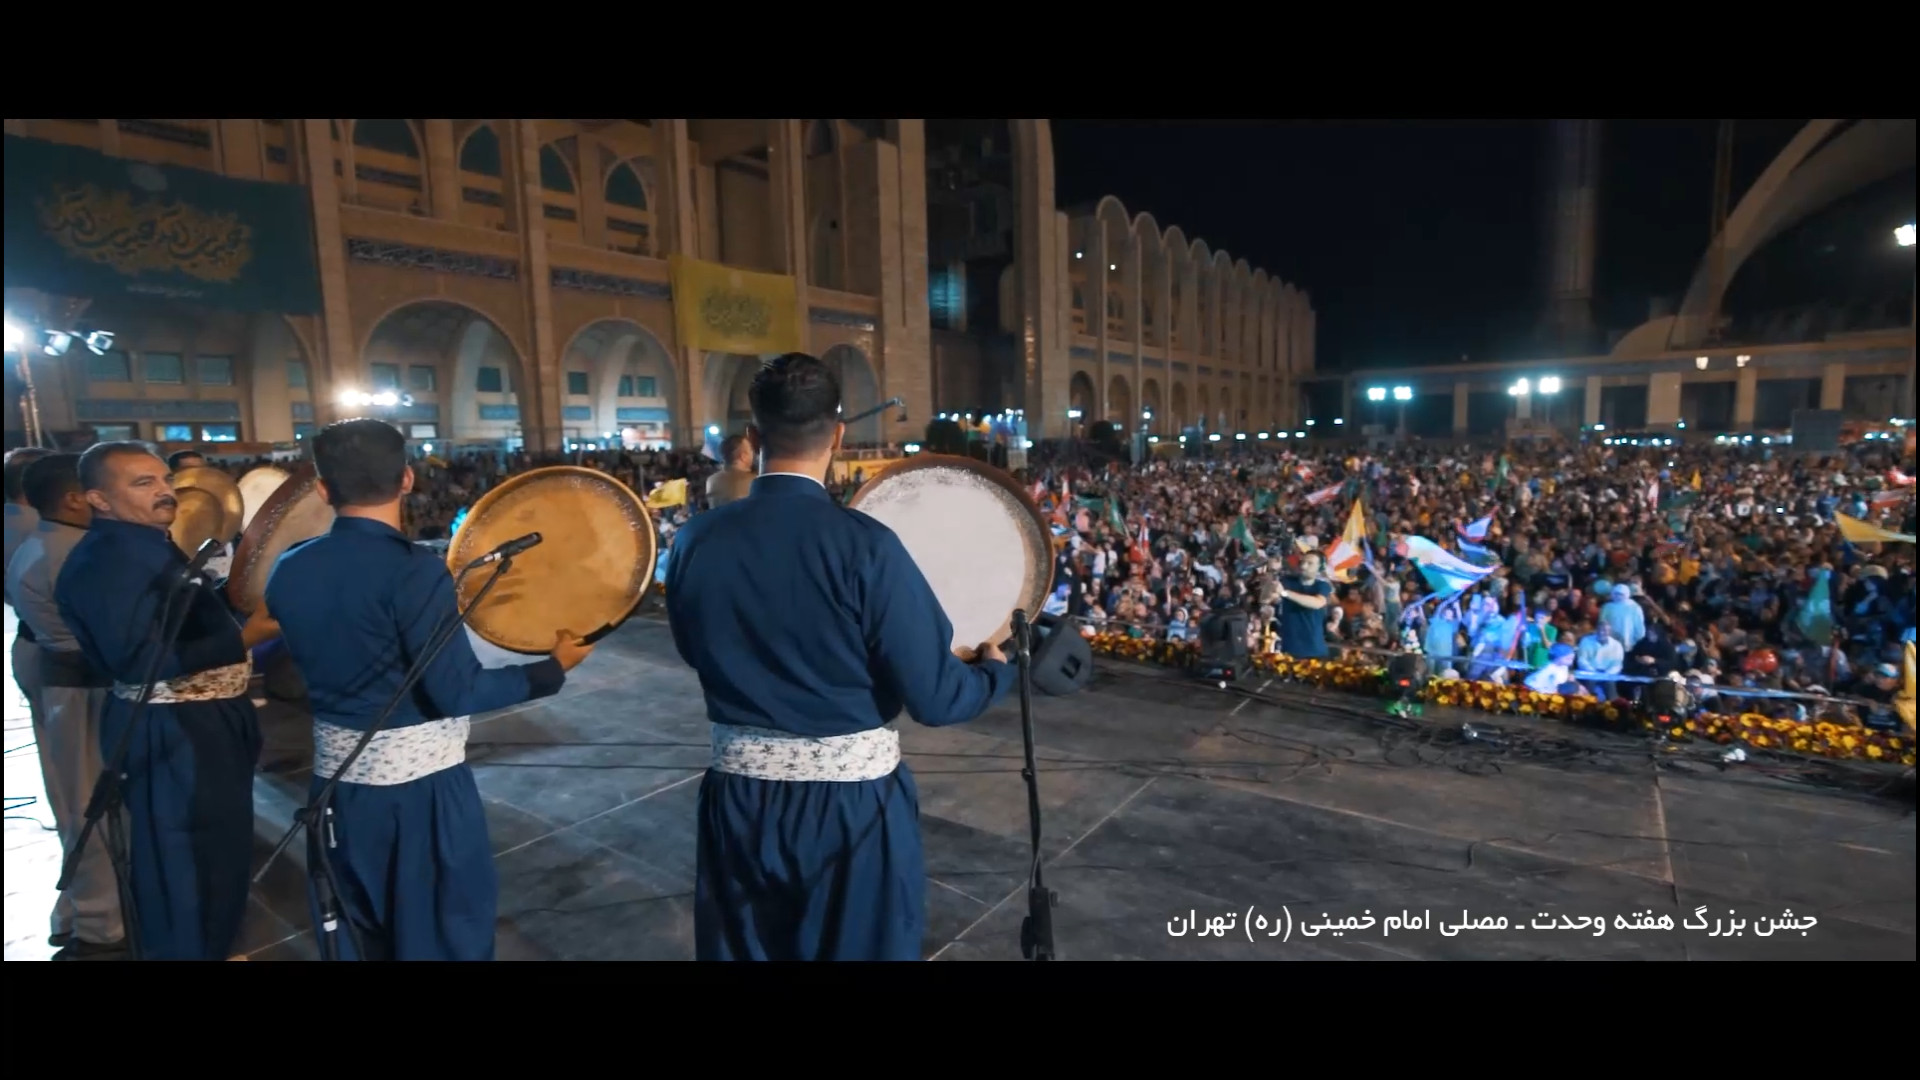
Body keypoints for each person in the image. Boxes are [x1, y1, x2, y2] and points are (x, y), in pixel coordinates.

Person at [665, 352, 1015, 961]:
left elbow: (694, 650)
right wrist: (992, 674)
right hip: (848, 815)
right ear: (839, 435)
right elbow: (935, 697)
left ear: (753, 437)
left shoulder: (696, 539)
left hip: (738, 805)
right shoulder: (868, 548)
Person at [267, 419, 593, 961]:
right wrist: (551, 669)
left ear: (323, 489)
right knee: (440, 933)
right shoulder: (413, 572)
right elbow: (455, 692)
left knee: (358, 929)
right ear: (409, 479)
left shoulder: (291, 567)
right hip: (418, 797)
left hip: (335, 790)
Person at [54, 441, 281, 960]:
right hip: (172, 727)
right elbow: (140, 660)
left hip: (201, 719)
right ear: (98, 499)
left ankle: (217, 946)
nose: (164, 492)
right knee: (184, 858)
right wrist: (248, 637)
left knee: (217, 851)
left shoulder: (149, 544)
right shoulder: (107, 560)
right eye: (143, 484)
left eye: (162, 480)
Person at [5, 453, 123, 959]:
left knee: (75, 791)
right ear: (76, 498)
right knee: (86, 799)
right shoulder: (72, 554)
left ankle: (84, 907)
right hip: (77, 683)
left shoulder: (46, 539)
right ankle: (101, 918)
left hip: (54, 670)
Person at [1276, 550, 1334, 658]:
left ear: (1320, 568)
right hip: (1289, 647)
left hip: (1314, 649)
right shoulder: (1287, 581)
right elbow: (1265, 599)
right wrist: (1272, 574)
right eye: (1302, 562)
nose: (1304, 566)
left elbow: (1317, 603)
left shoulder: (1322, 585)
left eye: (1310, 563)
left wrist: (1285, 593)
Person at [704, 434, 755, 508]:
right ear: (743, 456)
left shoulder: (711, 480)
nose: (753, 453)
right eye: (750, 449)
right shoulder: (754, 481)